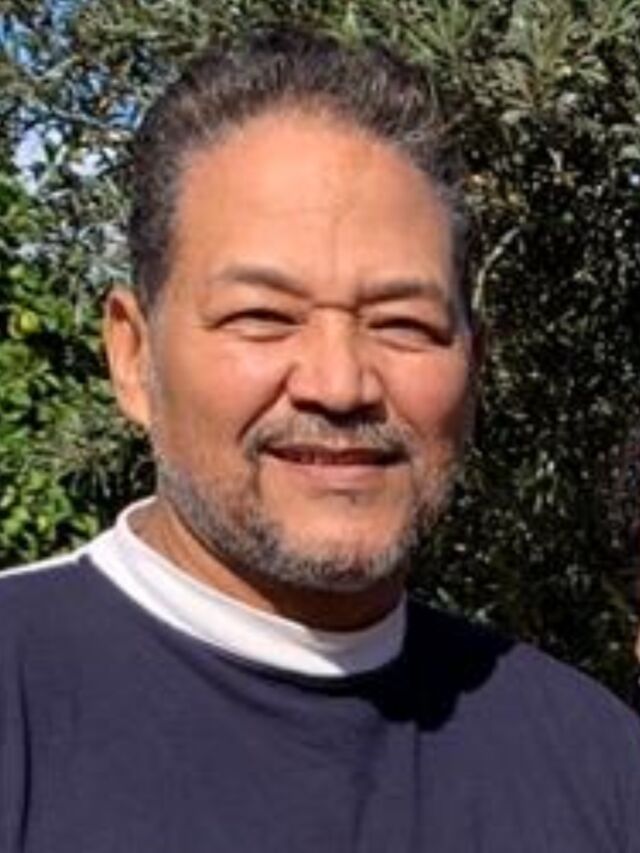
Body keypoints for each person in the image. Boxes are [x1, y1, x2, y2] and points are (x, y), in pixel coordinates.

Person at [1, 29, 639, 853]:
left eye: (403, 323)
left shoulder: (595, 762)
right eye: (262, 317)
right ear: (133, 356)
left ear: (474, 364)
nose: (340, 384)